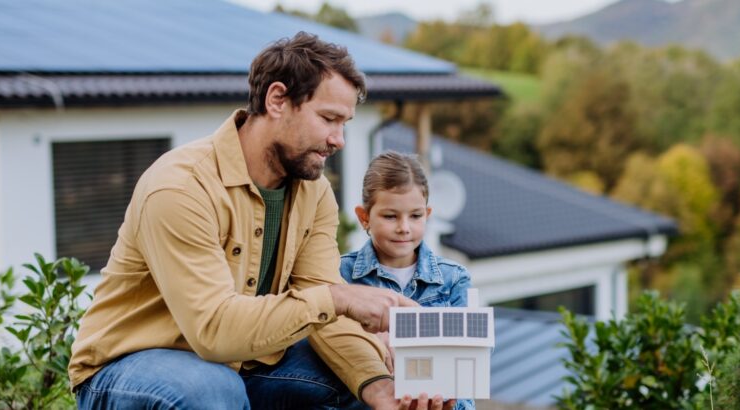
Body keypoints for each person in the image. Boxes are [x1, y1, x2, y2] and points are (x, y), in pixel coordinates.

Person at [68, 32, 448, 410]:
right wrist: (341, 296)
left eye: (345, 123)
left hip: (243, 363)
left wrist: (378, 387)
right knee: (210, 391)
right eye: (329, 119)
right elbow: (215, 331)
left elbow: (326, 313)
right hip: (128, 369)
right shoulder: (181, 187)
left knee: (364, 377)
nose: (339, 140)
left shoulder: (312, 193)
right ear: (277, 99)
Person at [340, 151, 474, 410]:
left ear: (428, 214)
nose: (404, 227)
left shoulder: (454, 279)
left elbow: (468, 367)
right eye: (390, 216)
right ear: (364, 217)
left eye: (415, 216)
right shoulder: (341, 275)